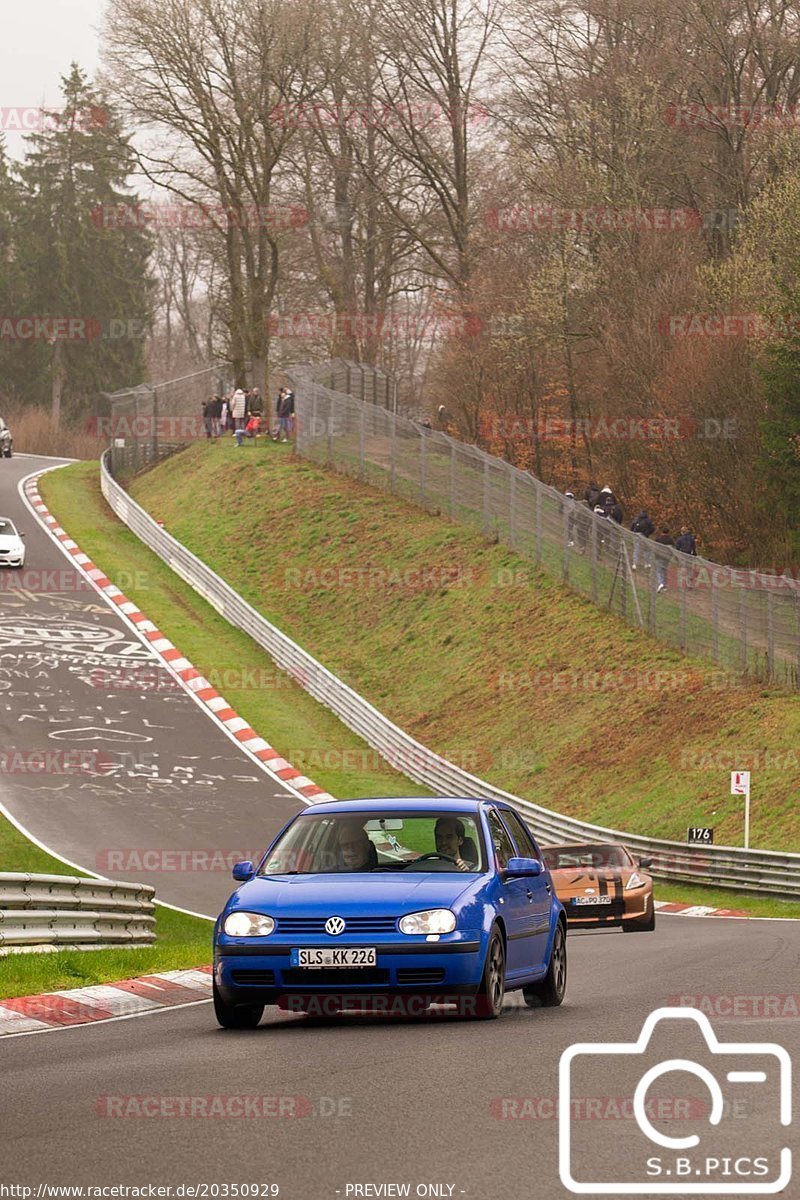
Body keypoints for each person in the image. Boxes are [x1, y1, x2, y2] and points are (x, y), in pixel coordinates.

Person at [654, 526, 674, 592]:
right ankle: (665, 586)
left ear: (662, 532)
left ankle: (661, 583)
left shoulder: (658, 539)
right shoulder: (670, 540)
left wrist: (655, 555)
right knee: (664, 571)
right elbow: (672, 549)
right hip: (667, 557)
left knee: (659, 571)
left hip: (660, 556)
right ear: (668, 532)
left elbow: (655, 548)